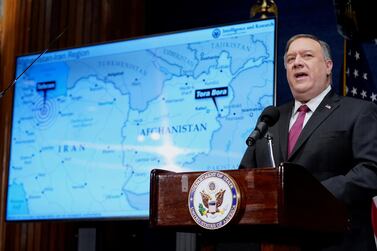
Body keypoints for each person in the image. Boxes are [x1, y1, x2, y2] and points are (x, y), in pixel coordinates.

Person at [239, 34, 377, 250]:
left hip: (337, 243)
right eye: (291, 59)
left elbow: (371, 171)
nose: (297, 62)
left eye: (307, 55)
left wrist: (313, 193)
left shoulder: (359, 112)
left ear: (328, 66)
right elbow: (245, 175)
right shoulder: (270, 118)